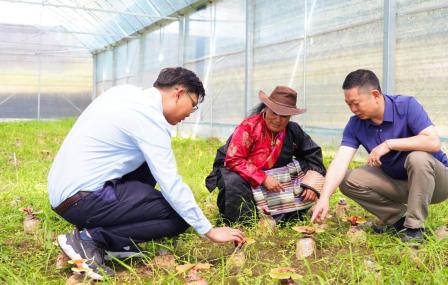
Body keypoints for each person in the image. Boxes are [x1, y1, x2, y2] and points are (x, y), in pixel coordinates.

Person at [48, 67, 245, 280]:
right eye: (193, 105)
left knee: (147, 166)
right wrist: (210, 231)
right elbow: (170, 183)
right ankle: (90, 239)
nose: (189, 114)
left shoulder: (125, 93)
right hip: (81, 200)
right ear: (178, 93)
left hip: (66, 193)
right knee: (178, 217)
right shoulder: (149, 119)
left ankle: (110, 237)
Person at [312, 69, 448, 242]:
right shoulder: (355, 124)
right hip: (400, 183)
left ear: (375, 94)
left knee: (417, 158)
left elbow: (433, 142)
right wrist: (324, 197)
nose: (352, 109)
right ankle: (399, 220)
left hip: (436, 183)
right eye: (348, 104)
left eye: (356, 103)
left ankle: (414, 229)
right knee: (347, 178)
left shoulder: (406, 106)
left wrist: (389, 144)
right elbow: (340, 161)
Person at [206, 86, 326, 225]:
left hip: (277, 178)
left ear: (290, 117)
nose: (278, 119)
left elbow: (312, 153)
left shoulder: (293, 130)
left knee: (306, 167)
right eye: (274, 113)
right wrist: (263, 178)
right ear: (266, 108)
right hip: (240, 171)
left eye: (284, 116)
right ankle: (245, 223)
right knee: (233, 181)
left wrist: (312, 185)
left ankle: (285, 214)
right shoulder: (248, 127)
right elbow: (234, 160)